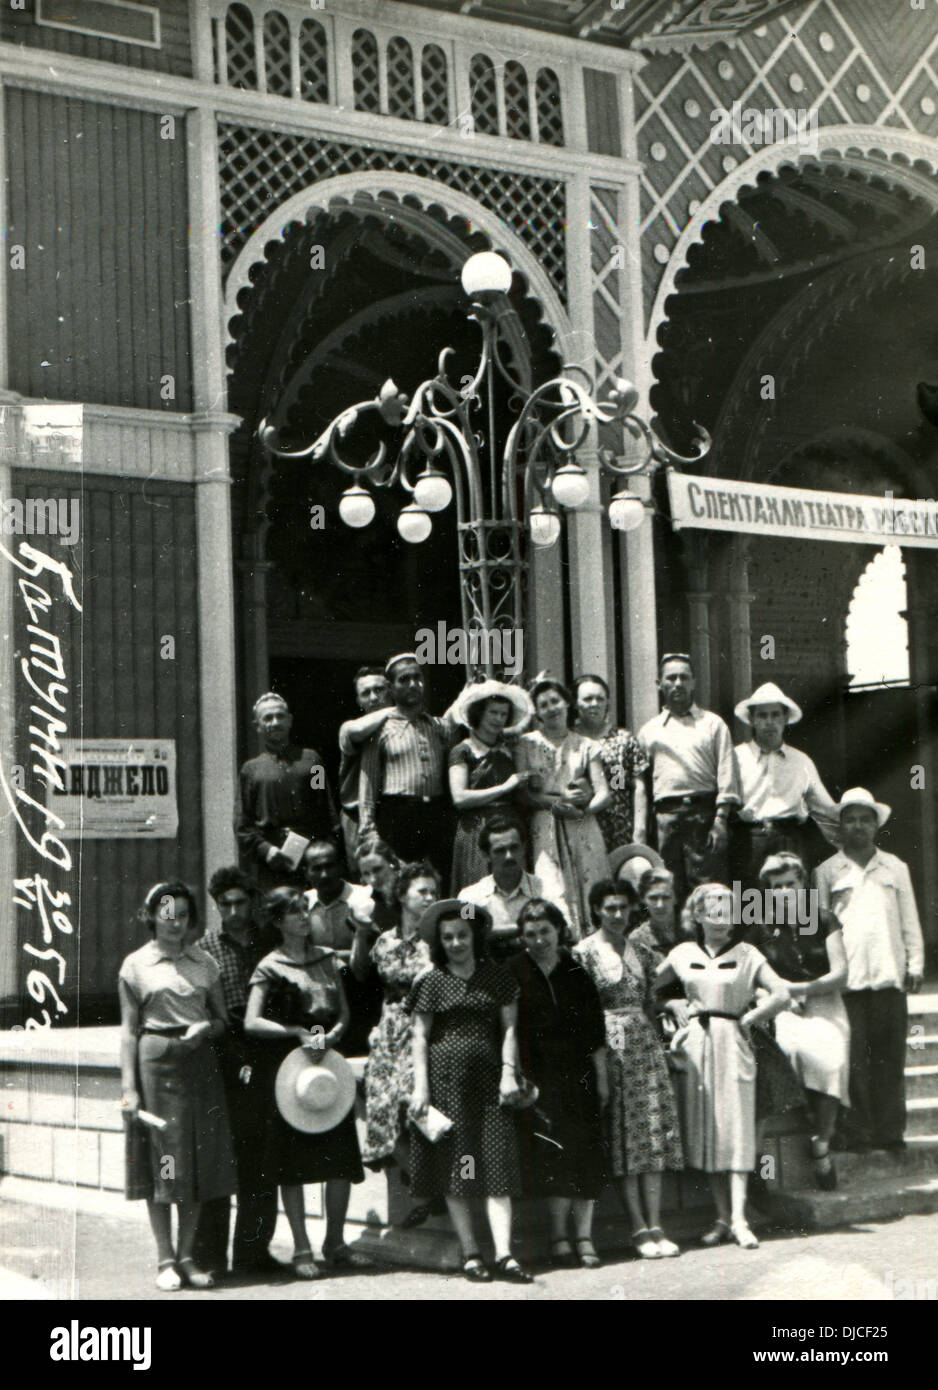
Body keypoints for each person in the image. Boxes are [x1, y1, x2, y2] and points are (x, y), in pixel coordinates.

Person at [656, 883, 790, 1249]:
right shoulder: (682, 953)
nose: (720, 917)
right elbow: (646, 987)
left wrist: (750, 1020)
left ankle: (741, 1219)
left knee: (736, 1130)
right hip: (697, 1044)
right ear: (697, 915)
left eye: (727, 910)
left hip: (734, 1042)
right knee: (709, 1132)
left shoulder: (748, 953)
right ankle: (722, 1218)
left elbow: (781, 993)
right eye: (711, 910)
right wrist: (671, 1006)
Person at [408, 899, 533, 1283]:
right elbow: (420, 1035)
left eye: (462, 935)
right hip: (449, 1086)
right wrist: (420, 1086)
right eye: (448, 937)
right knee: (461, 1167)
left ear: (475, 936)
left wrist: (509, 1073)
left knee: (494, 1163)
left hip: (489, 1082)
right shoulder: (430, 982)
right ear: (439, 941)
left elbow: (510, 1029)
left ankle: (505, 1254)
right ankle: (471, 1252)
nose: (456, 943)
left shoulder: (497, 978)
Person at [119, 881, 236, 1291]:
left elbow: (223, 1022)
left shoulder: (205, 963)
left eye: (183, 915)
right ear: (152, 916)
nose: (175, 923)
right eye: (167, 914)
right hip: (157, 1065)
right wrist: (130, 1088)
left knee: (196, 1160)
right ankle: (164, 1257)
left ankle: (187, 1256)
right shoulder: (135, 966)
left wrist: (207, 1027)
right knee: (165, 1161)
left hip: (199, 1063)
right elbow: (129, 1032)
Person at [244, 888, 366, 1278]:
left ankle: (335, 1242)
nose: (302, 917)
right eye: (294, 912)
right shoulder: (270, 965)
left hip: (328, 1066)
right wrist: (295, 1031)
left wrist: (332, 1037)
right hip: (292, 1072)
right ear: (278, 921)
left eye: (304, 910)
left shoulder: (328, 959)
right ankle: (301, 1246)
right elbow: (251, 1021)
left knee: (341, 1161)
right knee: (292, 1165)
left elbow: (345, 1013)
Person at [574, 880, 684, 1259]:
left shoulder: (641, 950)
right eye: (610, 908)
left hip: (644, 1043)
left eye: (623, 908)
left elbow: (651, 1003)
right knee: (624, 1135)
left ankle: (656, 1224)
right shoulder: (585, 952)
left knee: (650, 1134)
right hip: (610, 1043)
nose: (618, 915)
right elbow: (584, 1012)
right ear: (596, 911)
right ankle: (637, 1225)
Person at [814, 788, 924, 1153]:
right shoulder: (827, 872)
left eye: (865, 819)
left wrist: (916, 963)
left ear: (876, 824)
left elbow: (910, 920)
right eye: (850, 819)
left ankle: (890, 1133)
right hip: (849, 981)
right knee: (855, 1061)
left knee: (889, 1058)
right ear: (840, 826)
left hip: (889, 975)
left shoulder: (895, 868)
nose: (858, 826)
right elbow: (819, 928)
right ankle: (859, 1132)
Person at [508, 898, 608, 1268]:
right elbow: (508, 1030)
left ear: (559, 931)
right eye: (530, 934)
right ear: (522, 938)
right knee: (552, 1157)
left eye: (545, 931)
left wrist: (602, 1080)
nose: (539, 940)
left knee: (585, 1153)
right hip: (538, 1078)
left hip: (578, 1075)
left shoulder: (575, 972)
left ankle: (584, 1236)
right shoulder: (513, 971)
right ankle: (558, 1237)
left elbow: (595, 1031)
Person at [194, 867, 280, 1279]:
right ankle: (210, 1258)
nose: (232, 910)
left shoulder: (269, 941)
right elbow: (210, 1014)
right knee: (219, 1161)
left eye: (239, 902)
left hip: (267, 1054)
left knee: (261, 1160)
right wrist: (236, 1060)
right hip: (223, 1057)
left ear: (252, 901)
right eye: (224, 904)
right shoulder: (204, 948)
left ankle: (254, 1254)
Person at [747, 852, 850, 1189]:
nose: (784, 892)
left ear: (803, 884)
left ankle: (821, 1144)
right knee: (790, 1051)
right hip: (783, 1008)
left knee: (832, 1059)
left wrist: (800, 988)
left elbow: (840, 975)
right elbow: (751, 977)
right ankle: (807, 1126)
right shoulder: (760, 928)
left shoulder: (822, 919)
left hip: (824, 1001)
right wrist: (776, 997)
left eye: (790, 884)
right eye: (776, 887)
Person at [638, 653, 740, 903]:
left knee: (708, 889)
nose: (678, 683)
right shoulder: (648, 731)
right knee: (668, 888)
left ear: (694, 682)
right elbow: (640, 783)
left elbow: (727, 774)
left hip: (703, 816)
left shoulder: (713, 724)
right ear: (659, 684)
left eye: (684, 677)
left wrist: (720, 820)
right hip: (665, 819)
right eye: (671, 678)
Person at [517, 677, 610, 939]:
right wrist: (554, 803)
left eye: (556, 701)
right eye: (543, 704)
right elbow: (521, 795)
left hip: (581, 825)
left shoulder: (586, 745)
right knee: (552, 889)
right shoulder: (526, 744)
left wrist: (583, 811)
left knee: (589, 886)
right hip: (545, 826)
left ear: (568, 703)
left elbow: (604, 792)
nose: (552, 708)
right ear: (536, 711)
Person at [361, 862, 439, 1173]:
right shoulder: (384, 941)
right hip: (391, 1031)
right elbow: (380, 989)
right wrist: (378, 1027)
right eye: (422, 891)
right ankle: (421, 1188)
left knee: (414, 1106)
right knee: (381, 1107)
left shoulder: (438, 942)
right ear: (402, 896)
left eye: (434, 891)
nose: (430, 897)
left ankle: (432, 1184)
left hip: (426, 1027)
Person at [358, 654, 456, 887]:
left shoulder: (438, 726)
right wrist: (368, 827)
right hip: (398, 814)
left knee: (437, 881)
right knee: (401, 882)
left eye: (417, 677)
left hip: (435, 813)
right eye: (404, 679)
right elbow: (369, 779)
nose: (413, 684)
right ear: (391, 688)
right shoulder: (380, 729)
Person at [732, 681, 839, 883]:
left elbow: (826, 809)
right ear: (752, 719)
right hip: (750, 842)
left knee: (792, 907)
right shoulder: (736, 758)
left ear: (785, 718)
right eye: (762, 716)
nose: (769, 722)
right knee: (751, 907)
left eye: (775, 715)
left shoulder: (801, 761)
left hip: (789, 841)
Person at [236, 692, 340, 893]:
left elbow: (326, 808)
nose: (275, 722)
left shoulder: (312, 761)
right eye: (267, 718)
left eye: (279, 716)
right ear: (257, 725)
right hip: (272, 862)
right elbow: (243, 824)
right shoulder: (250, 770)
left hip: (312, 861)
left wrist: (322, 851)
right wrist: (267, 851)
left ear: (290, 720)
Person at [448, 680, 534, 892]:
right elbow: (459, 798)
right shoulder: (463, 751)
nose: (499, 719)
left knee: (512, 883)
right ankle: (470, 921)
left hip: (509, 825)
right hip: (476, 828)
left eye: (504, 714)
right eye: (493, 713)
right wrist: (505, 787)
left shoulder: (509, 751)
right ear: (479, 713)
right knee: (475, 885)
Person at [301, 838, 383, 1056]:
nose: (325, 874)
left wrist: (324, 955)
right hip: (321, 1000)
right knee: (319, 1054)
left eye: (330, 866)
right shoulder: (302, 904)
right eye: (317, 868)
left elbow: (375, 952)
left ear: (340, 866)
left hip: (361, 994)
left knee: (358, 1058)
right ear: (307, 872)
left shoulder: (363, 898)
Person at [457, 815, 559, 962]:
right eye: (500, 851)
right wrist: (522, 929)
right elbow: (465, 935)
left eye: (514, 847)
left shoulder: (546, 888)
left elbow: (562, 926)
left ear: (524, 848)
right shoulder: (468, 897)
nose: (509, 856)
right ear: (486, 855)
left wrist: (491, 933)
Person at [573, 673, 648, 851]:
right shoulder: (569, 740)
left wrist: (639, 829)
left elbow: (639, 787)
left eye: (600, 698)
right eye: (588, 699)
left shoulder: (623, 740)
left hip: (619, 828)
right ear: (576, 703)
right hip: (579, 825)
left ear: (607, 702)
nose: (594, 704)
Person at [338, 666, 392, 872]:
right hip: (357, 817)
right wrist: (402, 708)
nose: (373, 697)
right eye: (365, 693)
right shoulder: (349, 728)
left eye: (379, 690)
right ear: (358, 701)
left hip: (393, 814)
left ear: (391, 691)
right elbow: (357, 731)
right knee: (366, 877)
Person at [356, 833, 403, 932]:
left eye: (377, 870)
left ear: (393, 863)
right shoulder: (369, 901)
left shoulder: (413, 889)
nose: (373, 879)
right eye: (366, 874)